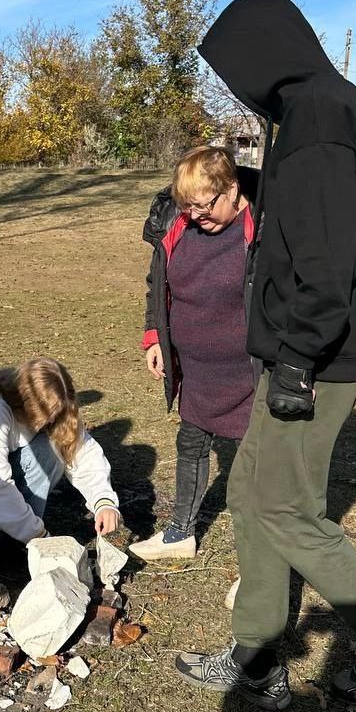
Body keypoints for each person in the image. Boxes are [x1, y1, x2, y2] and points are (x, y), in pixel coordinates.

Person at [173, 0, 356, 711]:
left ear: (264, 51)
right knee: (248, 494)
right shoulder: (304, 115)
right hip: (298, 352)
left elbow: (329, 259)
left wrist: (297, 357)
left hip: (318, 357)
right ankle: (256, 658)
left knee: (290, 511)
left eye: (235, 69)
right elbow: (299, 212)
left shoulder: (321, 114)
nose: (236, 85)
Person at [132, 145, 258, 563]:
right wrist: (155, 337)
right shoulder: (178, 226)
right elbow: (158, 283)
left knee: (252, 468)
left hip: (248, 373)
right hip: (197, 370)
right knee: (191, 444)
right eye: (188, 208)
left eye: (204, 205)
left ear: (232, 189)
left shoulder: (262, 229)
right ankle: (179, 533)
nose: (197, 216)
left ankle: (258, 568)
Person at [0, 357, 122, 582]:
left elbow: (81, 450)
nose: (44, 423)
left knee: (52, 449)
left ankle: (16, 540)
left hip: (0, 471)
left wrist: (104, 501)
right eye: (41, 417)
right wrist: (37, 534)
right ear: (22, 400)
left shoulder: (57, 405)